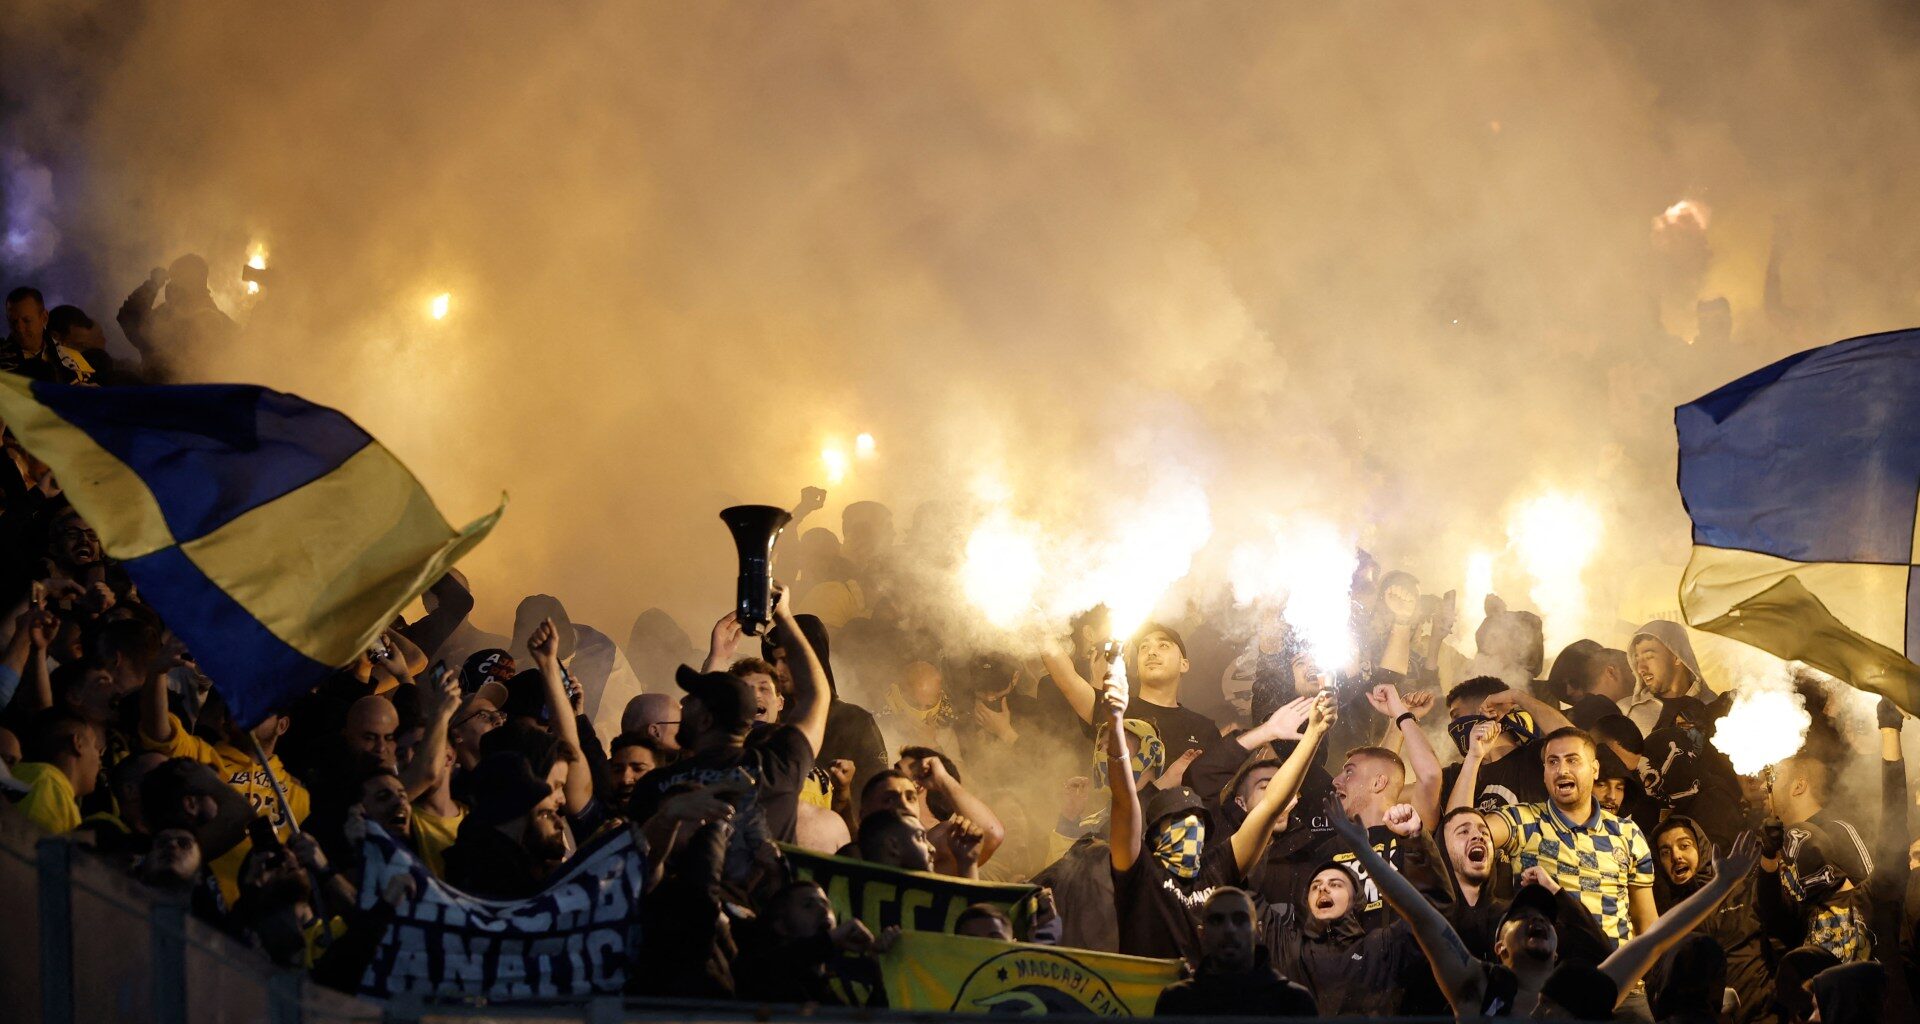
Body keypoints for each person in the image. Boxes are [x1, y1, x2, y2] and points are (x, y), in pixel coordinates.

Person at [1337, 793, 1760, 1020]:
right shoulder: (1477, 988)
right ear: (1499, 947)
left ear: (1558, 949)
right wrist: (1364, 850)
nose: (1536, 920)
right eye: (1522, 918)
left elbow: (1655, 939)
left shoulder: (1583, 994)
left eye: (1543, 918)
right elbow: (1420, 914)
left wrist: (1722, 883)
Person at [1109, 681, 1334, 961]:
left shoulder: (1215, 870)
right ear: (1155, 836)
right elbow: (1123, 801)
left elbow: (1270, 806)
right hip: (1148, 987)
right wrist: (1115, 721)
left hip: (1206, 987)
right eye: (1178, 822)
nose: (1191, 828)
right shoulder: (1139, 872)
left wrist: (1314, 734)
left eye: (1198, 823)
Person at [626, 586, 829, 863]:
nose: (682, 703)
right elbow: (816, 695)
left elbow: (634, 865)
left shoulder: (657, 784)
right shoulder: (776, 769)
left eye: (691, 699)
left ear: (706, 720)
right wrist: (784, 616)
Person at [1460, 726, 1658, 946]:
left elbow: (1647, 925)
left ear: (1594, 770)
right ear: (1544, 774)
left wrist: (1642, 967)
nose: (1562, 770)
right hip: (1548, 963)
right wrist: (1474, 758)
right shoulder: (1523, 820)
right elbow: (1458, 833)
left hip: (1616, 965)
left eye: (1572, 760)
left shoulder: (1628, 833)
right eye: (1553, 762)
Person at [1652, 815, 1776, 1024]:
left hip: (1762, 1014)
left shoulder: (1739, 889)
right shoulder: (1664, 915)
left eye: (1684, 845)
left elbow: (1779, 926)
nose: (1676, 856)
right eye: (1665, 852)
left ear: (1701, 848)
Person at [1041, 623, 1221, 764]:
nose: (1151, 652)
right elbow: (1067, 678)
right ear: (1137, 667)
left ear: (1184, 664)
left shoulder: (1204, 730)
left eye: (1163, 645)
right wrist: (1039, 627)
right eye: (1144, 647)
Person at [1757, 754, 1874, 960]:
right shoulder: (1776, 847)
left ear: (1799, 786)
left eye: (1775, 775)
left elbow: (1872, 896)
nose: (1762, 787)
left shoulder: (1836, 830)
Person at [1153, 887, 1319, 1017]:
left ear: (1258, 931)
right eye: (1217, 920)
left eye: (1240, 920)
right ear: (1202, 934)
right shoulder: (1176, 1001)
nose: (1229, 929)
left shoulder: (1294, 1001)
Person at [441, 752, 571, 899]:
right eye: (543, 814)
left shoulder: (470, 851)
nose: (559, 824)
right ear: (517, 809)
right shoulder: (499, 874)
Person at [1442, 675, 1574, 814]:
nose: (1452, 726)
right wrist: (1473, 758)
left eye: (1456, 716)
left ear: (1487, 710)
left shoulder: (1537, 757)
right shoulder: (1454, 775)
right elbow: (1456, 822)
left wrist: (1516, 696)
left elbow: (1575, 743)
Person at [115, 254, 239, 381]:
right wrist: (152, 286)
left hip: (181, 390)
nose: (170, 285)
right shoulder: (164, 316)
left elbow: (130, 318)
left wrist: (153, 285)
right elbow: (129, 318)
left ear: (194, 282)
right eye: (172, 279)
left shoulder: (164, 320)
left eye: (177, 279)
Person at [1621, 621, 1722, 736]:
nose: (1640, 668)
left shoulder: (1715, 708)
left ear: (1677, 656)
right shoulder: (1625, 712)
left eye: (1649, 657)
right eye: (1637, 660)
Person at [12, 709, 103, 833]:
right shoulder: (46, 783)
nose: (99, 759)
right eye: (95, 747)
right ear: (79, 743)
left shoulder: (40, 781)